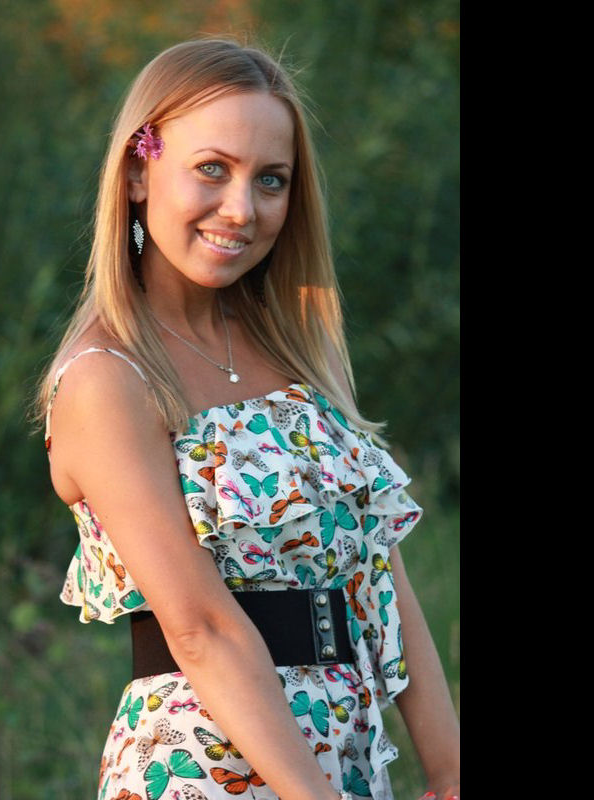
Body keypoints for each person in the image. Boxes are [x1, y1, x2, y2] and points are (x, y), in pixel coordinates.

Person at [35, 37, 459, 800]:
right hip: (207, 764)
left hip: (344, 750)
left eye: (271, 180)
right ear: (137, 172)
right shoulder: (108, 380)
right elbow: (199, 629)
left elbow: (379, 570)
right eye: (212, 169)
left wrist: (451, 768)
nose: (242, 209)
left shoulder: (297, 352)